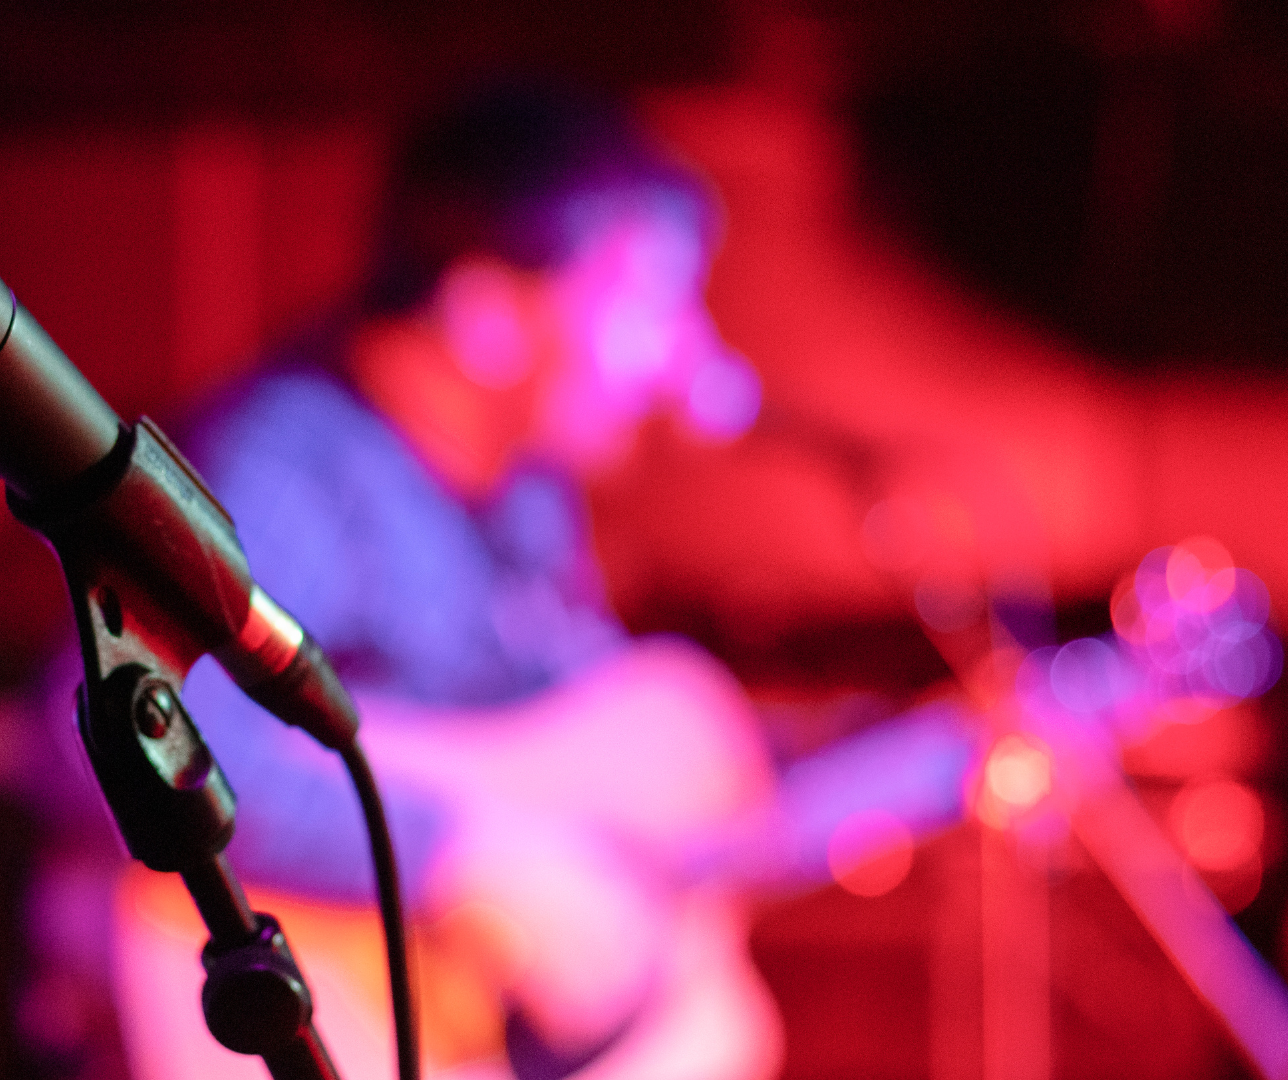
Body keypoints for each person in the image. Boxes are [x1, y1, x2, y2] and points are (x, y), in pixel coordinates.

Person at [89, 84, 787, 1080]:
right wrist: (461, 854)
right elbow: (124, 743)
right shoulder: (288, 468)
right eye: (643, 306)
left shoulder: (531, 500)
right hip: (314, 1013)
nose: (677, 361)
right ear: (487, 312)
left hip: (472, 1020)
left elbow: (566, 758)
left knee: (719, 1025)